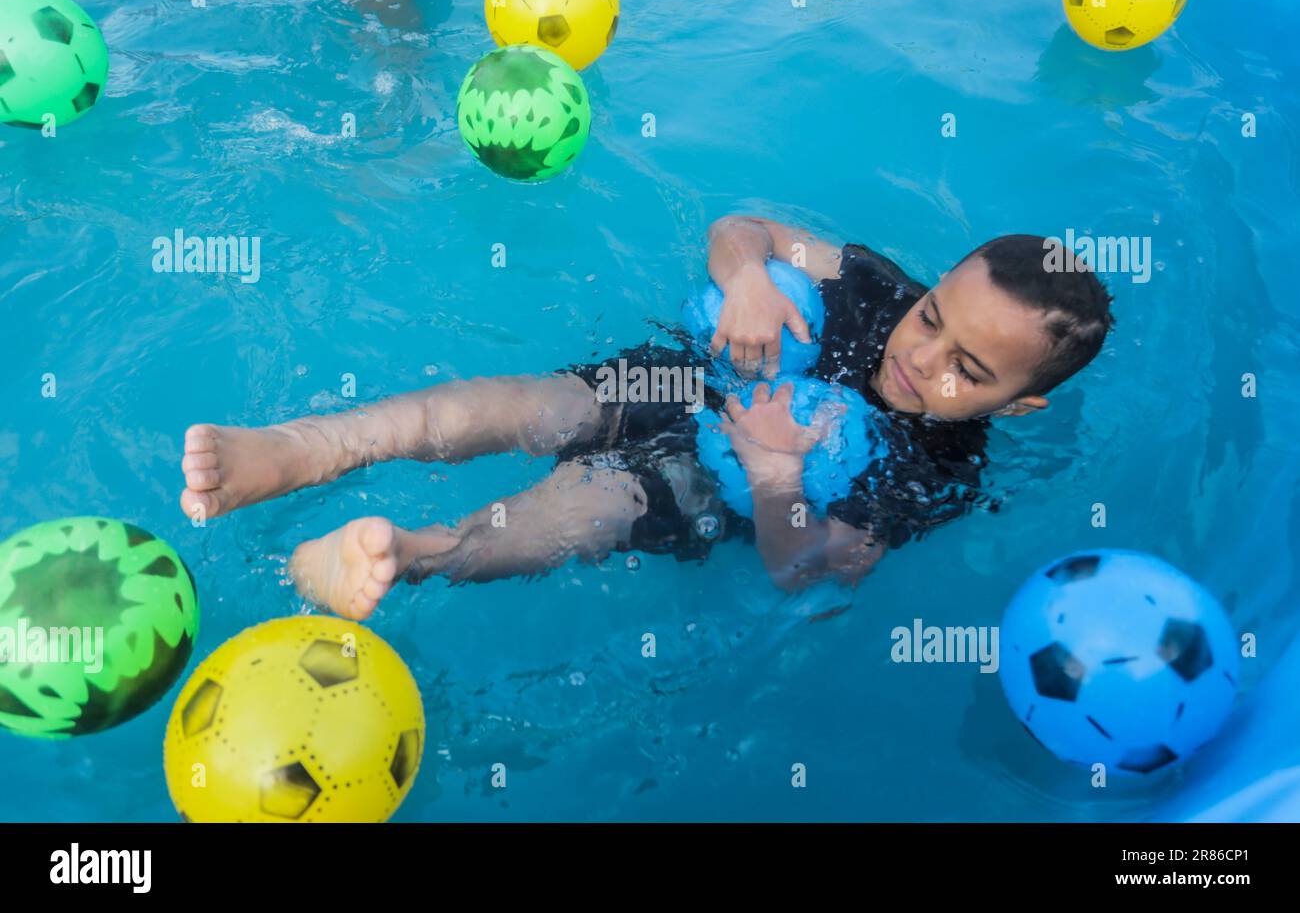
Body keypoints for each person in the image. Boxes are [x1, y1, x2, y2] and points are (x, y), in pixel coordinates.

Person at [178, 216, 1114, 619]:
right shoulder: (875, 293)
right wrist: (747, 277)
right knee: (538, 405)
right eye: (932, 317)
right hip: (692, 379)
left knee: (588, 506)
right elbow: (743, 227)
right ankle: (307, 447)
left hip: (717, 478)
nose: (919, 357)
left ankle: (401, 551)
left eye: (967, 369)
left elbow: (803, 568)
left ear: (1018, 403)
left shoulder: (937, 469)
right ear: (934, 284)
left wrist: (778, 474)